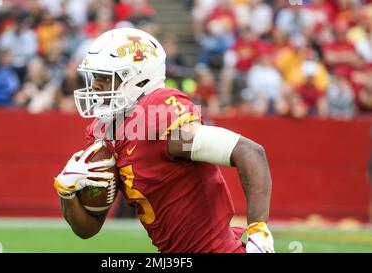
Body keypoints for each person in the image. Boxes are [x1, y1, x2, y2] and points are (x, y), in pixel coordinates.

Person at [53, 28, 274, 253]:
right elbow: (88, 229)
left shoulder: (158, 122)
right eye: (95, 76)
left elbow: (249, 151)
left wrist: (258, 228)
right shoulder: (105, 131)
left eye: (105, 77)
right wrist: (67, 193)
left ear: (137, 78)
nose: (95, 86)